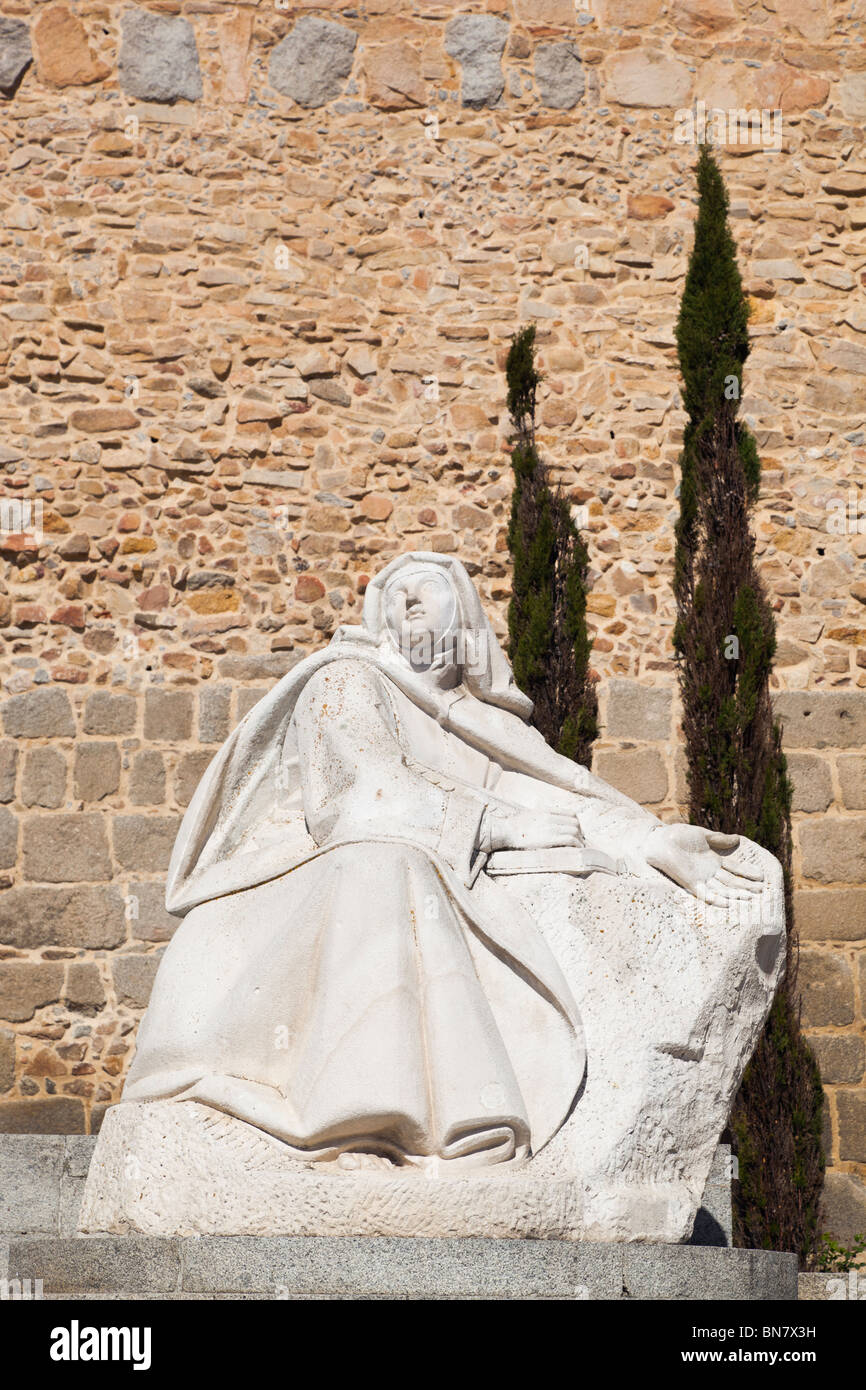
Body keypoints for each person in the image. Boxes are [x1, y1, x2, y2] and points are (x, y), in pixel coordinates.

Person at [122, 552, 764, 1171]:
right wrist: (500, 826)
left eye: (425, 590)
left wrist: (647, 841)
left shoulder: (487, 727)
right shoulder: (346, 679)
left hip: (434, 868)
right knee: (385, 860)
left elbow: (549, 796)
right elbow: (363, 795)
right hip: (303, 878)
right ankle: (355, 1113)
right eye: (394, 596)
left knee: (421, 869)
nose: (406, 600)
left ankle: (450, 1125)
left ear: (465, 623)